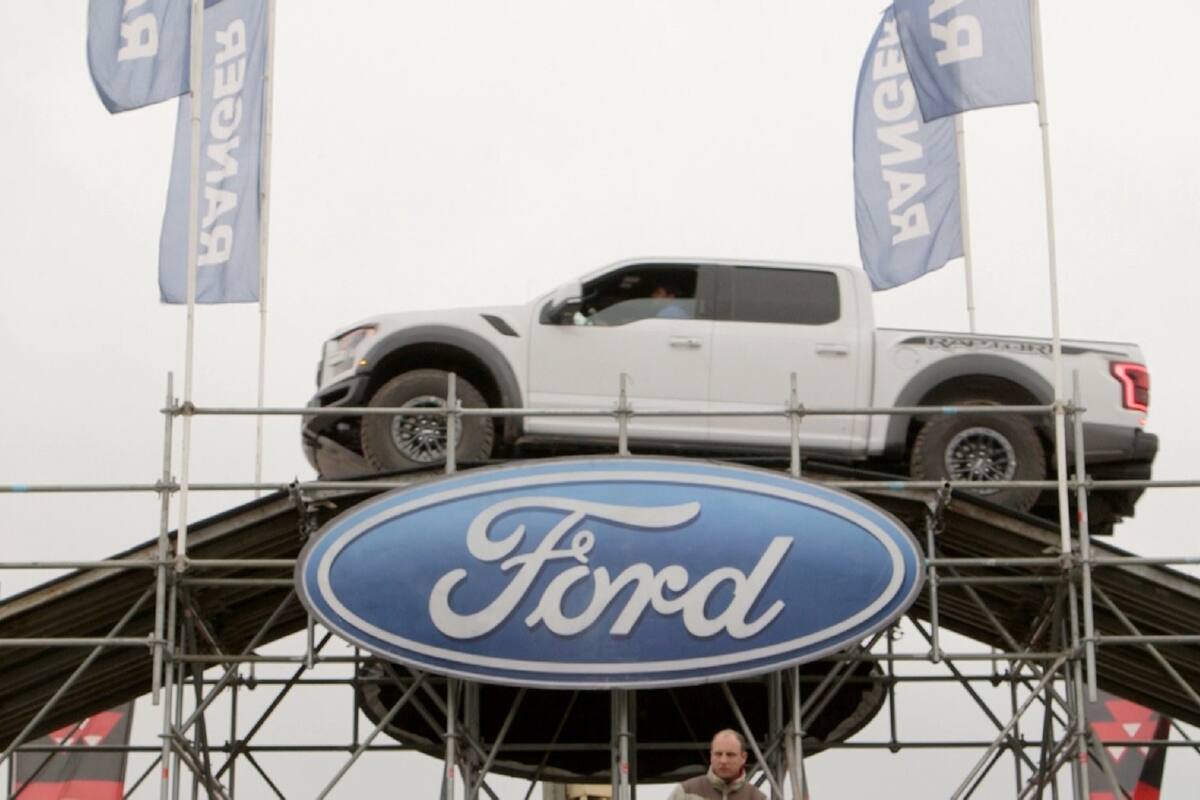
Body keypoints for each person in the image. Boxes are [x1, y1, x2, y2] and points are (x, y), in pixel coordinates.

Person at [668, 729, 766, 800]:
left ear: (743, 757)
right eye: (718, 754)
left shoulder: (757, 798)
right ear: (711, 755)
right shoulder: (685, 792)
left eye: (730, 755)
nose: (723, 760)